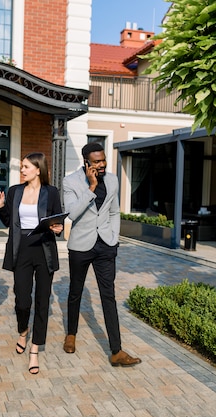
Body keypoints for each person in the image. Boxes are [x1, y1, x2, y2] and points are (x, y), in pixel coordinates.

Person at [62, 142, 141, 367]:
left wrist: (114, 237)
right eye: (97, 161)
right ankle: (71, 334)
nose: (102, 164)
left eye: (103, 159)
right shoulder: (71, 182)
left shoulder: (113, 180)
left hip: (106, 244)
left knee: (109, 295)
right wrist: (92, 187)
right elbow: (71, 214)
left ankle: (116, 350)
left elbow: (114, 211)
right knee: (75, 292)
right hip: (80, 245)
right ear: (86, 162)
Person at [0, 152, 64, 375]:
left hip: (44, 250)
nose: (22, 170)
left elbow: (57, 220)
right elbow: (7, 221)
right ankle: (23, 330)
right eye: (21, 167)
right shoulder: (15, 191)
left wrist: (57, 228)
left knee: (42, 301)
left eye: (25, 167)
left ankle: (34, 349)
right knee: (22, 299)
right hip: (21, 250)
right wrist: (2, 205)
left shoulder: (51, 192)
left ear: (38, 169)